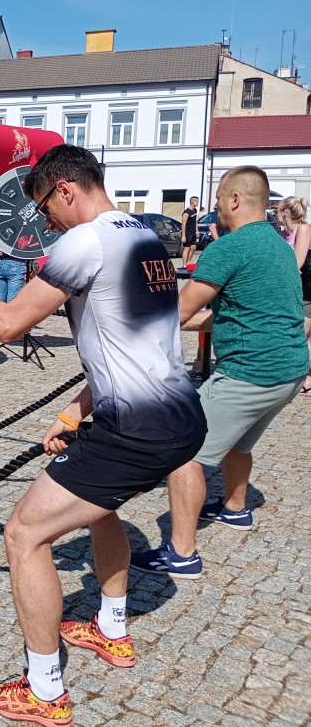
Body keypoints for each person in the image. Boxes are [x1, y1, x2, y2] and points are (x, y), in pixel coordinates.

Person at [0, 144, 206, 726]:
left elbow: (7, 324)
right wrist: (75, 412)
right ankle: (112, 630)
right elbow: (138, 345)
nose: (44, 223)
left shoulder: (85, 240)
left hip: (139, 430)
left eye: (44, 207)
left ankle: (44, 690)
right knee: (101, 509)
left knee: (24, 534)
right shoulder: (147, 237)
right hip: (180, 419)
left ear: (66, 189)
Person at [131, 168, 308, 580]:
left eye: (216, 199)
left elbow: (180, 310)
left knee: (185, 451)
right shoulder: (279, 245)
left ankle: (181, 553)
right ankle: (235, 508)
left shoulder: (226, 248)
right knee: (237, 442)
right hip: (290, 371)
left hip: (252, 372)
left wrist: (131, 328)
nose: (213, 208)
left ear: (234, 200)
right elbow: (233, 312)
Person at [277, 196, 311, 393]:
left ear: (286, 212)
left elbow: (297, 262)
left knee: (303, 334)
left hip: (308, 288)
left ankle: (307, 377)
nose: (276, 216)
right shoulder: (281, 235)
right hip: (294, 288)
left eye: (277, 211)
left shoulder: (304, 229)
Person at [181, 196, 199, 266]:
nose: (197, 203)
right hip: (187, 232)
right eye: (196, 201)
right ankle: (184, 265)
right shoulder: (186, 212)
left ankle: (189, 262)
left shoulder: (195, 210)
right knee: (187, 248)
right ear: (192, 202)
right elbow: (183, 224)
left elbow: (195, 221)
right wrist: (184, 236)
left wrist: (197, 230)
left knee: (193, 247)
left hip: (193, 231)